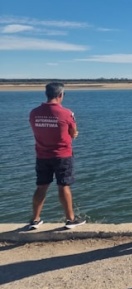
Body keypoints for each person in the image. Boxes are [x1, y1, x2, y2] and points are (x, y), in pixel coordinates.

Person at [28, 82, 86, 230]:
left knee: (41, 187)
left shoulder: (34, 112)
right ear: (60, 95)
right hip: (62, 156)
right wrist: (73, 134)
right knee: (64, 186)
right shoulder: (66, 113)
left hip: (42, 156)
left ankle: (35, 220)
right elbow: (73, 133)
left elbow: (38, 130)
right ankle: (70, 220)